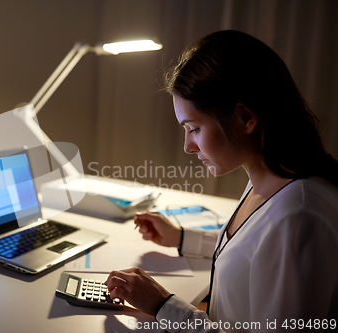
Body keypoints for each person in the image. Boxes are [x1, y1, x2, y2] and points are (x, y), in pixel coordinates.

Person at [104, 30, 338, 332]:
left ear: (245, 118)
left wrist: (164, 306)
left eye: (195, 129)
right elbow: (251, 253)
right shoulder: (270, 178)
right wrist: (182, 239)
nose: (188, 146)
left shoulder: (298, 218)